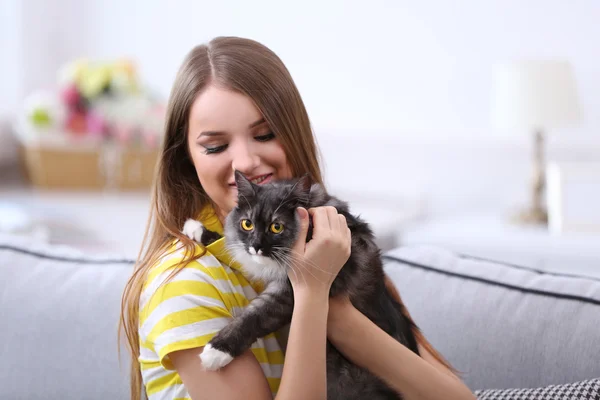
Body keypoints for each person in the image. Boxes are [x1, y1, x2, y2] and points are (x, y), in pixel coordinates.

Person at [119, 36, 475, 400]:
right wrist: (310, 292)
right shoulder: (184, 286)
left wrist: (337, 313)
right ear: (187, 159)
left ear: (293, 131)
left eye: (265, 134)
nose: (244, 161)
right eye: (215, 146)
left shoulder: (335, 247)